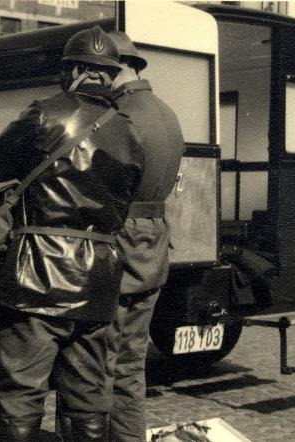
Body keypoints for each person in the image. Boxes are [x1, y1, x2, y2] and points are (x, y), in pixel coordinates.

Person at [0, 26, 144, 441]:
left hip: (35, 274)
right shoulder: (130, 132)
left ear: (70, 71)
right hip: (98, 281)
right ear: (109, 75)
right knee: (88, 397)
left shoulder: (42, 112)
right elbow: (124, 201)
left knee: (20, 393)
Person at [105, 31, 185, 442]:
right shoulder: (168, 112)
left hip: (119, 246)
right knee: (131, 365)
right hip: (153, 246)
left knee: (99, 363)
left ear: (117, 67)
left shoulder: (118, 116)